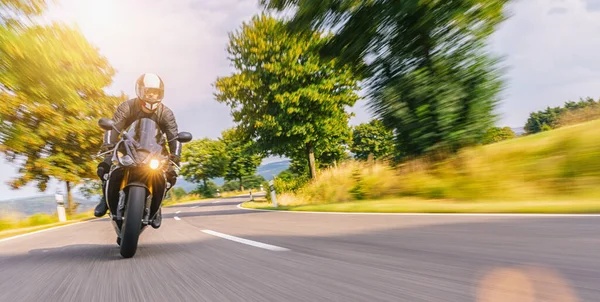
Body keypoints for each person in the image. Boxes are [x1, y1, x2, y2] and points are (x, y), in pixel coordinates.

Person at [93, 73, 181, 229]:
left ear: (161, 93)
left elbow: (173, 135)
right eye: (149, 91)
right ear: (140, 91)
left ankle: (157, 206)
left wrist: (175, 156)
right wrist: (108, 147)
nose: (152, 95)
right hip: (129, 146)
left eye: (156, 92)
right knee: (104, 166)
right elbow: (115, 127)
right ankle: (105, 199)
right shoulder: (127, 107)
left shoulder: (166, 113)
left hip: (156, 150)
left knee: (171, 175)